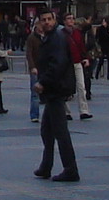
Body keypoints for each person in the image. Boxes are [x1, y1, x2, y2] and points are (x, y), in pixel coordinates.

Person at [31, 11, 80, 182]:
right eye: (43, 20)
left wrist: (42, 82)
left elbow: (57, 64)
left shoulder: (56, 38)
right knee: (47, 130)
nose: (47, 22)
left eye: (49, 19)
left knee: (60, 132)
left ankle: (70, 169)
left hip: (55, 90)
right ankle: (46, 166)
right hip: (52, 91)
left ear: (55, 20)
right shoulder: (49, 38)